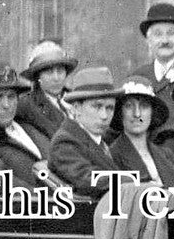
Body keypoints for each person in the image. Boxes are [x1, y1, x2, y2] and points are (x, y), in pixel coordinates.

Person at [48, 66, 123, 198]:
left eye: (110, 108)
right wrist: (134, 182)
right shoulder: (65, 142)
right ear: (76, 108)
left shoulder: (98, 140)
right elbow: (89, 180)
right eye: (97, 106)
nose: (104, 115)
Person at [109, 76, 174, 186]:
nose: (137, 114)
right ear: (120, 112)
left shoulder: (167, 156)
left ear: (152, 112)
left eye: (144, 106)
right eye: (129, 106)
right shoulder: (112, 156)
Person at [16, 41, 76, 139]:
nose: (56, 78)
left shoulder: (76, 98)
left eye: (60, 71)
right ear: (38, 76)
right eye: (49, 72)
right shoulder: (26, 106)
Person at [139, 2, 174, 109]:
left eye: (171, 33)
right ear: (148, 41)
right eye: (158, 34)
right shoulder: (138, 77)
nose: (165, 40)